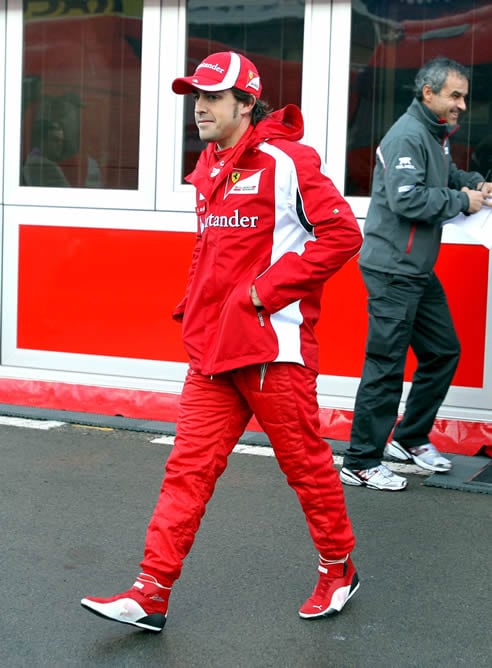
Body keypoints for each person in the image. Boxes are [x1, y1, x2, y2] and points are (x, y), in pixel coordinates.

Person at [80, 51, 363, 632]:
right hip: (212, 349)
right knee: (186, 471)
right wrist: (196, 305)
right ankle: (150, 592)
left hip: (271, 351)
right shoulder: (211, 163)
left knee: (306, 469)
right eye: (195, 97)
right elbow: (210, 252)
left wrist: (261, 294)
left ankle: (338, 569)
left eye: (212, 97)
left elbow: (342, 234)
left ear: (246, 101)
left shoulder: (288, 159)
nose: (200, 108)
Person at [341, 57, 492, 492]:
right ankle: (361, 461)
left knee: (443, 351)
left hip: (414, 270)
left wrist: (476, 183)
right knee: (386, 367)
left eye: (464, 96)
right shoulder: (407, 135)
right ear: (429, 93)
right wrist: (463, 201)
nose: (462, 104)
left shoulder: (434, 134)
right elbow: (408, 199)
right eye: (455, 95)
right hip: (392, 270)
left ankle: (407, 440)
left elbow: (445, 178)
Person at [22, 119, 69, 187]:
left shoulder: (31, 158)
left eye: (62, 141)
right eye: (56, 140)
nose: (60, 145)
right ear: (42, 142)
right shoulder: (48, 167)